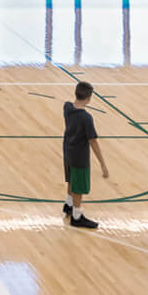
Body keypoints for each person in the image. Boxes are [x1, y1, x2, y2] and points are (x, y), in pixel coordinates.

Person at [62, 80, 108, 230]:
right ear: (89, 98)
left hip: (68, 150)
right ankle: (76, 216)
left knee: (71, 180)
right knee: (79, 187)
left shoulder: (67, 107)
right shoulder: (86, 118)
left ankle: (68, 205)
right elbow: (93, 141)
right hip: (80, 156)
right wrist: (102, 164)